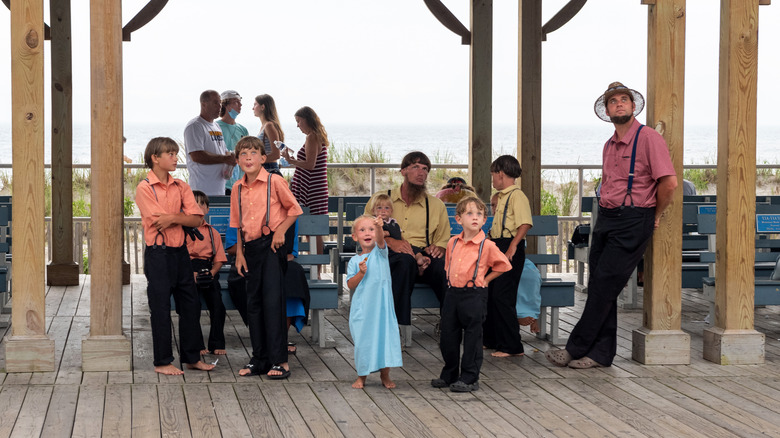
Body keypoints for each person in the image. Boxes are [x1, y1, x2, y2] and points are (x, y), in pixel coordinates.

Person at [545, 81, 677, 369]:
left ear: (632, 106)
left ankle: (575, 347)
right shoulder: (609, 145)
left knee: (604, 283)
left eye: (623, 100)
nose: (618, 104)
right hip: (605, 218)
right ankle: (601, 354)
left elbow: (669, 183)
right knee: (600, 285)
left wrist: (654, 215)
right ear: (607, 110)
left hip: (633, 220)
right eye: (613, 101)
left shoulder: (649, 139)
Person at [135, 137, 215, 375]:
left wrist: (173, 218)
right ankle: (162, 362)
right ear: (155, 158)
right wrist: (180, 217)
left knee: (190, 305)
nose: (175, 158)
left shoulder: (182, 186)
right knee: (160, 308)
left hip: (180, 253)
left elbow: (198, 219)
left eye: (176, 153)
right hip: (158, 255)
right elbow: (158, 221)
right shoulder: (144, 188)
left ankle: (191, 357)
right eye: (170, 154)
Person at [231, 136, 302, 379]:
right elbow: (238, 225)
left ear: (263, 158)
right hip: (250, 249)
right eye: (243, 154)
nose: (248, 157)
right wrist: (239, 254)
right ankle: (259, 358)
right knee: (254, 305)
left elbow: (294, 210)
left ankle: (280, 360)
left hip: (271, 246)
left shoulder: (275, 181)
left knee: (273, 303)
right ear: (238, 160)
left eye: (253, 153)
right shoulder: (237, 188)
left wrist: (280, 231)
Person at [432, 196, 511, 392]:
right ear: (458, 219)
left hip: (474, 294)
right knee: (448, 335)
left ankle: (469, 377)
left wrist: (485, 280)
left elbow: (504, 265)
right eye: (469, 213)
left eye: (479, 214)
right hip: (452, 294)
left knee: (473, 337)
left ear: (485, 220)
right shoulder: (453, 242)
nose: (475, 218)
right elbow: (448, 264)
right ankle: (449, 373)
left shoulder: (487, 245)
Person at [366, 151, 451, 328]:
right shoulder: (381, 199)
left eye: (425, 169)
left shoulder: (436, 205)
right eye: (415, 167)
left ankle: (449, 325)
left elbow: (443, 240)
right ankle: (397, 327)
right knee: (405, 262)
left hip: (421, 255)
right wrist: (390, 242)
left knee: (444, 269)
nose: (422, 173)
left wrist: (438, 249)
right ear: (403, 171)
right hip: (388, 255)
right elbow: (364, 231)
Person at [347, 214, 403, 389]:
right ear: (355, 237)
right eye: (362, 230)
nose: (367, 233)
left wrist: (379, 227)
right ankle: (361, 376)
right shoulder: (354, 261)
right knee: (363, 341)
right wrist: (361, 273)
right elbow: (350, 284)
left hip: (382, 308)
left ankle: (385, 375)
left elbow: (380, 241)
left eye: (370, 229)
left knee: (384, 339)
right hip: (363, 309)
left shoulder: (381, 253)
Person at [484, 155, 533, 357]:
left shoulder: (517, 196)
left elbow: (525, 223)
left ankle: (511, 345)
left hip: (508, 246)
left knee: (502, 295)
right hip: (497, 245)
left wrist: (513, 246)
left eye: (493, 175)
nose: (493, 180)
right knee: (491, 292)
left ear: (500, 174)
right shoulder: (501, 196)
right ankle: (493, 339)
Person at [187, 190, 228, 355]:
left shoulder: (212, 232)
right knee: (192, 306)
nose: (197, 207)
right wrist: (191, 275)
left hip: (208, 269)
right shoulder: (182, 232)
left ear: (207, 209)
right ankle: (197, 344)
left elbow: (219, 259)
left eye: (201, 204)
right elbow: (178, 258)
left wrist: (211, 273)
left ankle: (217, 343)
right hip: (188, 270)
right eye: (193, 204)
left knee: (218, 306)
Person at [184, 90, 237, 196]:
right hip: (202, 191)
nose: (220, 107)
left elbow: (223, 151)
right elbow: (197, 155)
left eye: (220, 103)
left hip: (219, 189)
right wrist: (224, 159)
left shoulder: (216, 126)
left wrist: (231, 157)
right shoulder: (195, 126)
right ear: (204, 104)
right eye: (215, 103)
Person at [370, 193, 430, 275]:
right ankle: (417, 268)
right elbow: (373, 235)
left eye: (386, 208)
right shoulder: (374, 222)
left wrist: (405, 244)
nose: (383, 211)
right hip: (387, 250)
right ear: (374, 211)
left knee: (413, 249)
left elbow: (399, 236)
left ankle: (419, 259)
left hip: (399, 245)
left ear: (391, 211)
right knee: (404, 258)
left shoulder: (394, 222)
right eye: (379, 208)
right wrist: (383, 233)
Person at [216, 90, 249, 194]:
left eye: (240, 102)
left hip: (240, 183)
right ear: (226, 105)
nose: (240, 105)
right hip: (220, 183)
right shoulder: (215, 127)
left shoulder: (243, 130)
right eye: (236, 102)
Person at [253, 94, 285, 174]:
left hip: (269, 169)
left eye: (255, 104)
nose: (253, 108)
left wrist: (255, 161)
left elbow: (276, 154)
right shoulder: (264, 126)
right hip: (266, 169)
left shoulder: (269, 126)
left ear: (262, 107)